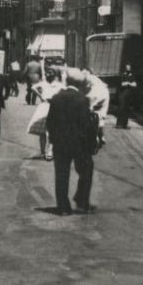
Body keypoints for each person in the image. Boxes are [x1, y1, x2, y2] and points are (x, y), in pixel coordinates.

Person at [46, 79, 99, 214]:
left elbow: (50, 122)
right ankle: (81, 201)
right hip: (79, 144)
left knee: (61, 174)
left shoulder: (56, 98)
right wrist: (91, 144)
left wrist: (53, 141)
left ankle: (63, 207)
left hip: (60, 143)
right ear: (80, 85)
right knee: (86, 170)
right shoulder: (82, 100)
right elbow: (86, 125)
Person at [27, 65, 63, 159]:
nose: (48, 74)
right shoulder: (43, 84)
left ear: (55, 74)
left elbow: (63, 93)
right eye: (47, 72)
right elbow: (33, 87)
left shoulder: (59, 85)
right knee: (42, 132)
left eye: (51, 72)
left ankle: (50, 151)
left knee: (51, 131)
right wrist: (40, 96)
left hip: (54, 107)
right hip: (44, 107)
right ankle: (42, 152)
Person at [115, 64, 138, 129]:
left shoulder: (131, 75)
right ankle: (119, 124)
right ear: (125, 68)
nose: (128, 69)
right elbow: (122, 84)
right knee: (121, 108)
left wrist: (128, 83)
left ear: (130, 68)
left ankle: (125, 124)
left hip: (128, 94)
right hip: (122, 94)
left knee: (127, 109)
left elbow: (135, 84)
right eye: (127, 68)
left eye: (129, 68)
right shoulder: (122, 75)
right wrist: (129, 83)